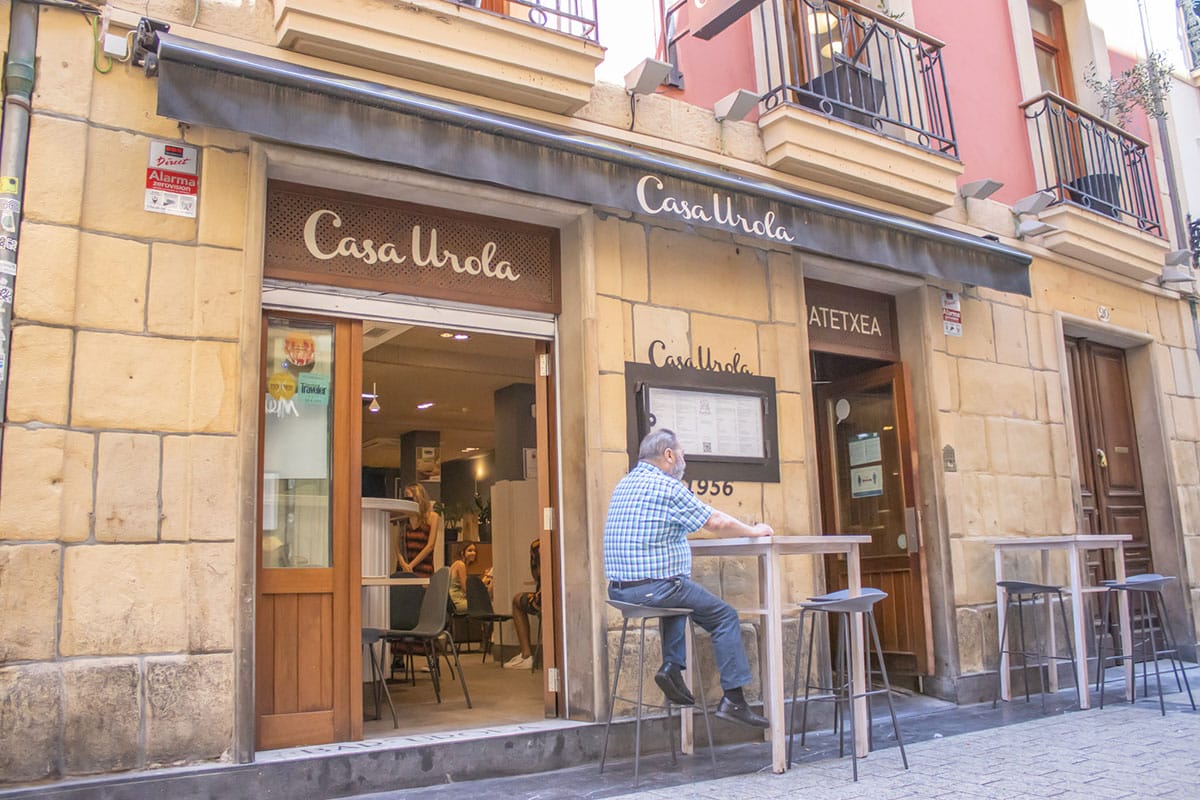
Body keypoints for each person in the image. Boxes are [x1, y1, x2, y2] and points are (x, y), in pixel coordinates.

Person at [604, 428, 773, 728]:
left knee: (678, 595)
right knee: (724, 616)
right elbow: (716, 522)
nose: (685, 460)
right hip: (654, 589)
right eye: (682, 453)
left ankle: (672, 667)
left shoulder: (624, 484)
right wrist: (753, 530)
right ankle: (734, 699)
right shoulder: (667, 487)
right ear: (668, 455)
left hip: (620, 592)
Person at [503, 539, 542, 670]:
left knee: (516, 600)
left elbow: (537, 575)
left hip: (544, 598)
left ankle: (526, 655)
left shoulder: (537, 545)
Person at [397, 483, 440, 577]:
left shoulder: (433, 517)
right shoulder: (404, 518)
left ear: (417, 497)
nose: (406, 499)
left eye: (408, 496)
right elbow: (398, 546)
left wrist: (411, 565)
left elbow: (430, 546)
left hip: (423, 568)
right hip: (405, 567)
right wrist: (403, 564)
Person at [448, 542, 478, 614]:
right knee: (482, 606)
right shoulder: (460, 565)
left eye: (474, 551)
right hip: (456, 600)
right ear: (462, 552)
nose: (473, 553)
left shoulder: (457, 564)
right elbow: (465, 588)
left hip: (453, 600)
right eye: (470, 550)